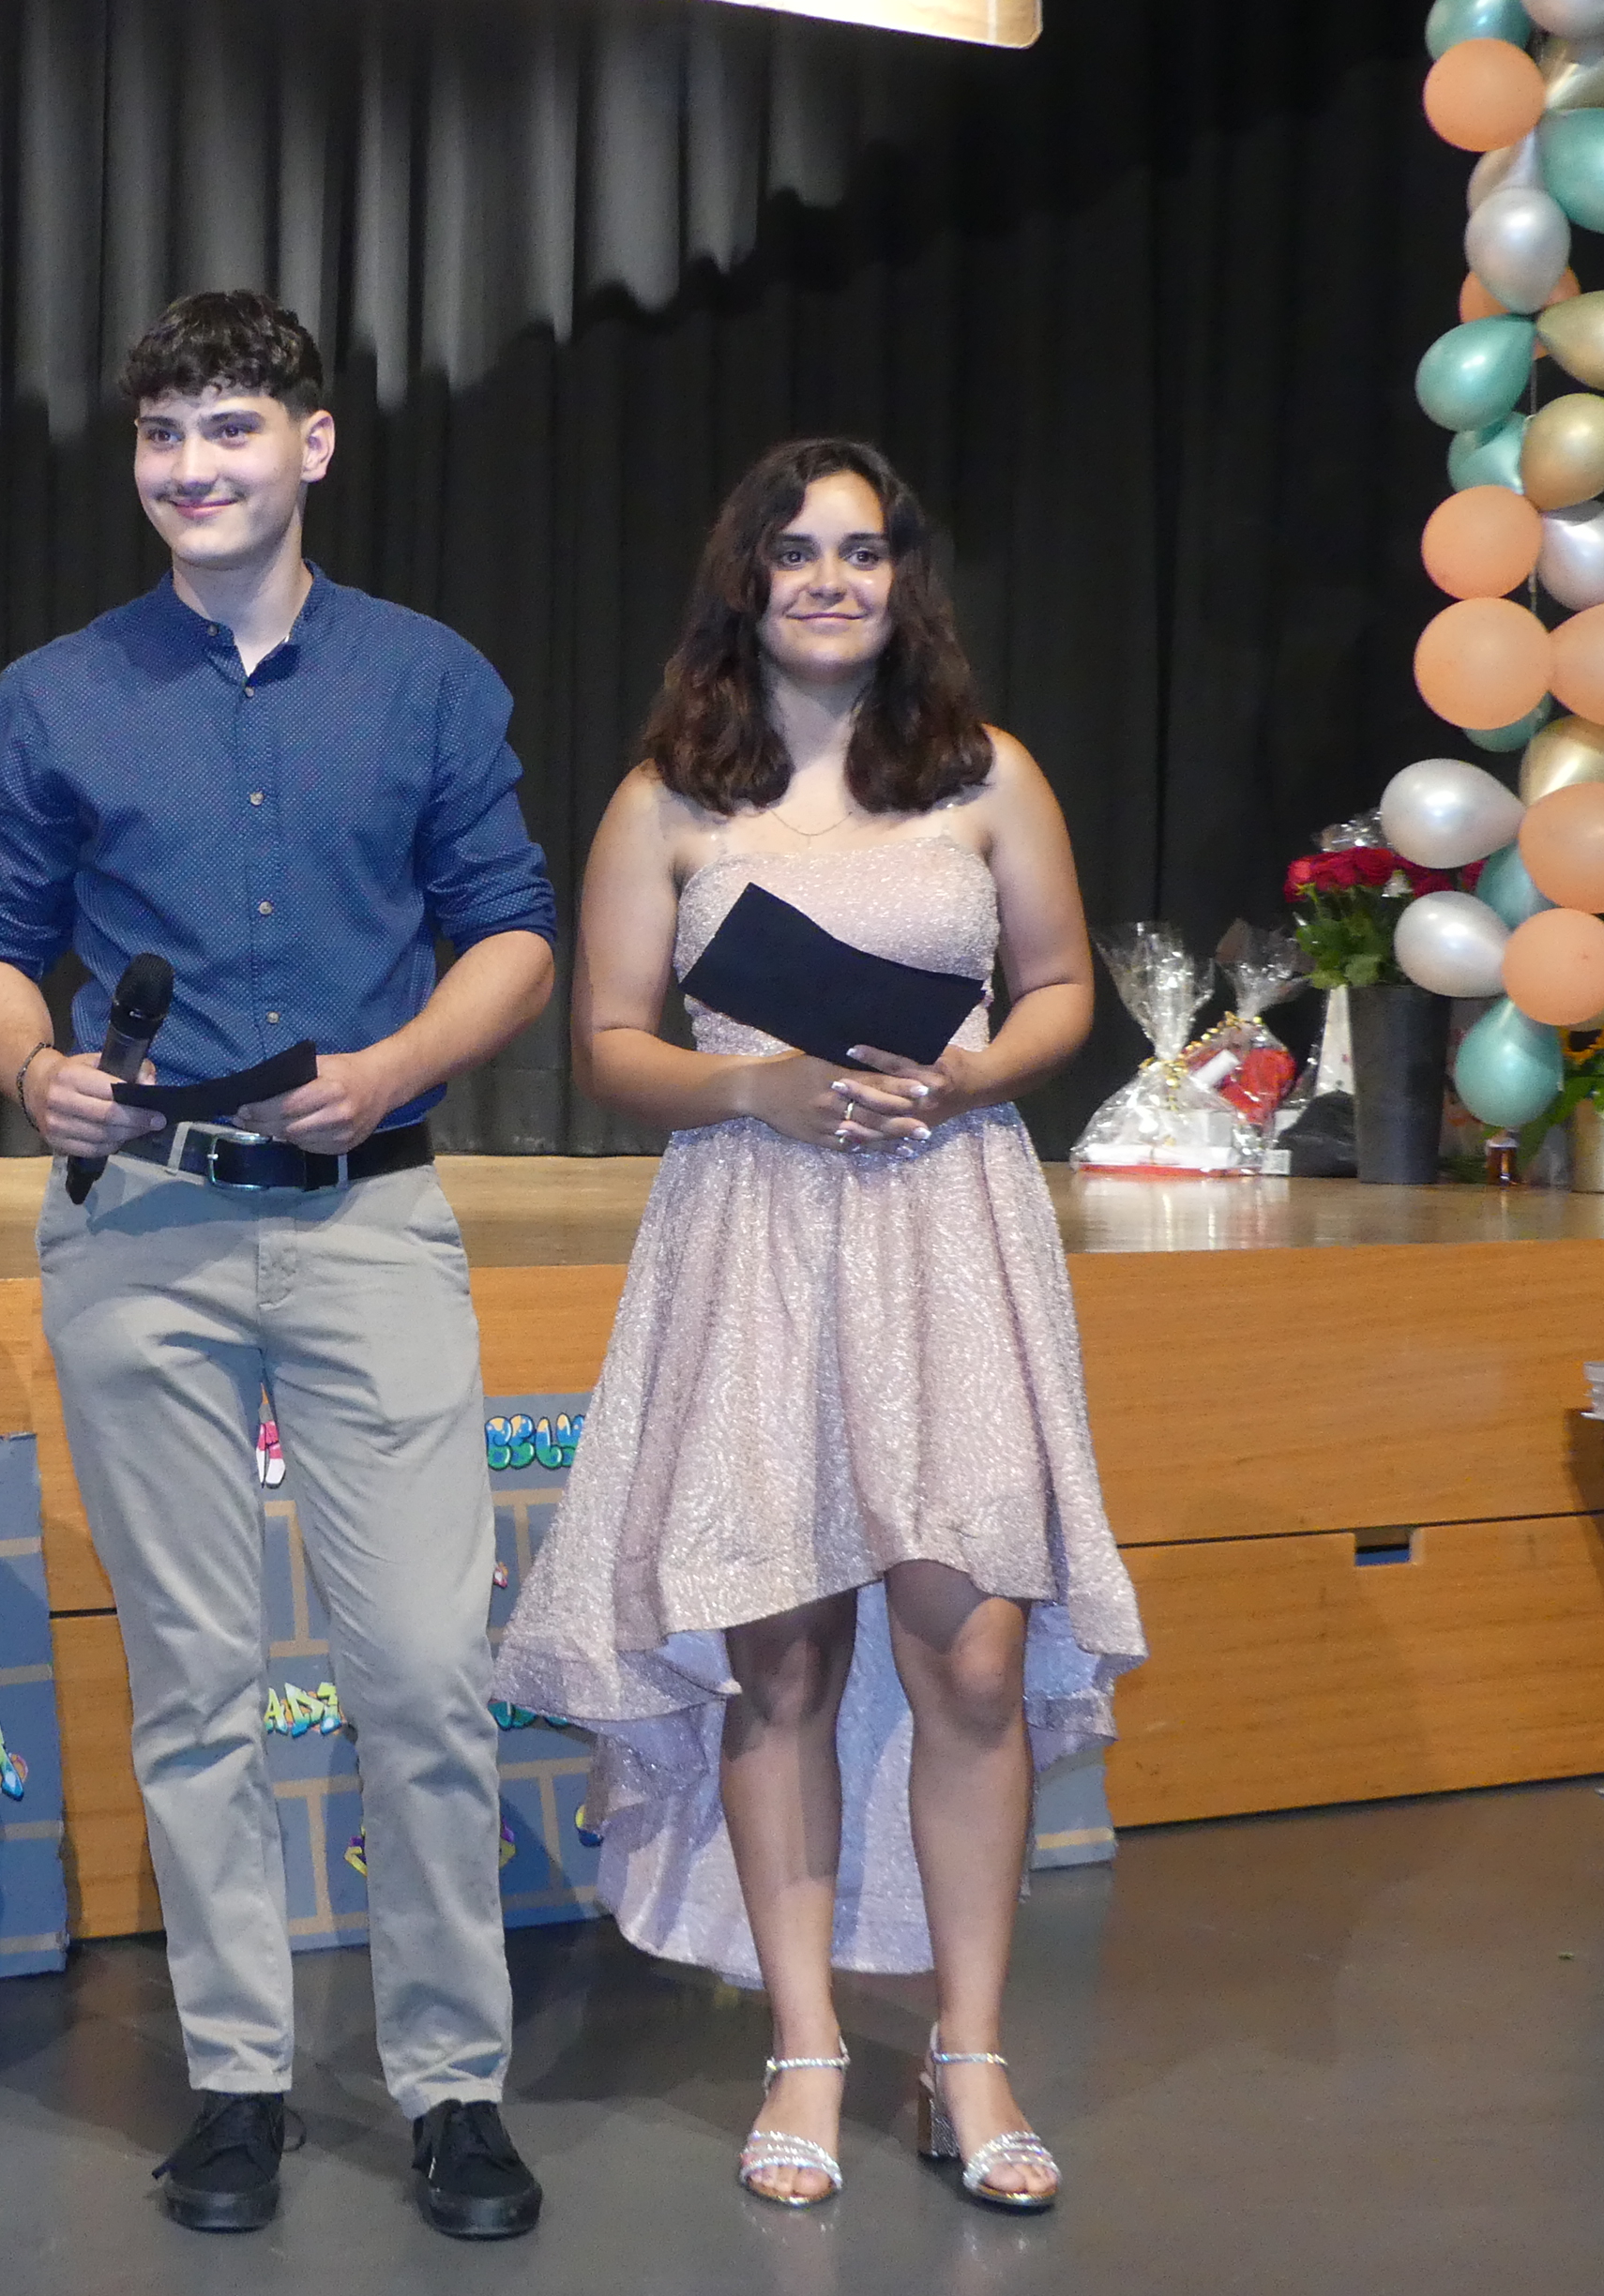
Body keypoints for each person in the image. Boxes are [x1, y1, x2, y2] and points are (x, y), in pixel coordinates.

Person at [0, 291, 556, 2240]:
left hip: (371, 1211)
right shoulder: (57, 694)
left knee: (424, 1677)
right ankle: (237, 2082)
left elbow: (514, 932)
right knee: (197, 1679)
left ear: (314, 444)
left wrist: (396, 1063)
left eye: (229, 428)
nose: (192, 467)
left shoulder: (428, 677)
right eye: (162, 435)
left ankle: (452, 2085)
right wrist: (28, 1068)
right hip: (142, 1228)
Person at [491, 438, 1145, 2213]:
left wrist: (967, 1076)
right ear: (747, 580)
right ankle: (802, 2050)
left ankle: (969, 2052)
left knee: (975, 1653)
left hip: (950, 1226)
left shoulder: (989, 773)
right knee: (778, 1657)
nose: (833, 581)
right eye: (798, 553)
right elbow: (611, 1042)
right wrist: (756, 1086)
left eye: (863, 552)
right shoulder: (668, 797)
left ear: (905, 578)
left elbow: (1061, 986)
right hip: (755, 1229)